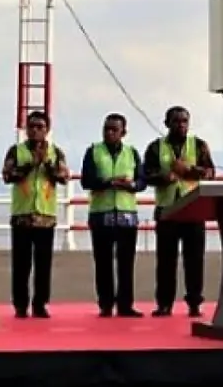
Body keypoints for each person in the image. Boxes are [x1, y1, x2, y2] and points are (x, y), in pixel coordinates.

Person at [143, 105, 215, 318]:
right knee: (166, 261)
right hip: (167, 210)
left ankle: (194, 303)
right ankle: (164, 304)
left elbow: (210, 172)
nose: (181, 125)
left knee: (194, 260)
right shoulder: (156, 148)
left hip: (193, 210)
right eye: (176, 121)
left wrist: (190, 171)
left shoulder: (199, 145)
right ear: (167, 124)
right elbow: (146, 175)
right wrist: (165, 177)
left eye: (184, 121)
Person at [2, 110, 69, 318]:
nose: (35, 131)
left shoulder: (56, 153)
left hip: (45, 218)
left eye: (40, 127)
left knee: (43, 265)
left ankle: (40, 303)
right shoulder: (16, 151)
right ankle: (20, 305)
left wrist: (45, 164)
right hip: (22, 215)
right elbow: (8, 175)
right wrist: (31, 163)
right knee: (21, 265)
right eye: (31, 127)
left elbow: (63, 177)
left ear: (47, 130)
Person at [79, 113, 145, 318]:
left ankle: (125, 305)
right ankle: (106, 304)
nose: (109, 133)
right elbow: (86, 181)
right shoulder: (93, 152)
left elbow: (142, 181)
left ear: (123, 132)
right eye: (106, 128)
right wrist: (109, 182)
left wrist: (131, 185)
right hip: (101, 214)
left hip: (127, 215)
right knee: (103, 262)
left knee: (126, 263)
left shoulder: (132, 153)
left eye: (114, 129)